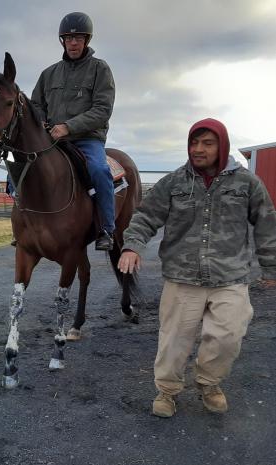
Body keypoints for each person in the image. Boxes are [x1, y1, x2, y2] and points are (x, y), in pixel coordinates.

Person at [117, 118, 276, 417]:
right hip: (182, 276)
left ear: (222, 146)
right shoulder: (174, 182)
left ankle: (209, 383)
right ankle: (167, 390)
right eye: (194, 142)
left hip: (230, 276)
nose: (198, 149)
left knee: (227, 337)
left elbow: (267, 225)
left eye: (207, 143)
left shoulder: (247, 183)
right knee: (173, 341)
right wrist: (131, 246)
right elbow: (145, 216)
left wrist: (272, 267)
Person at [30, 11, 116, 251]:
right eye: (69, 38)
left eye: (78, 38)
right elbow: (36, 105)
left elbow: (102, 109)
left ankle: (106, 229)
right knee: (20, 166)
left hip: (87, 139)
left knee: (99, 170)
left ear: (87, 40)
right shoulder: (48, 74)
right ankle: (28, 225)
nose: (74, 42)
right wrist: (44, 125)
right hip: (52, 140)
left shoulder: (100, 69)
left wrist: (68, 126)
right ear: (63, 41)